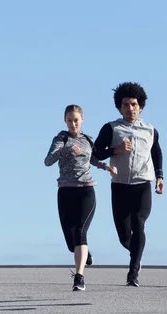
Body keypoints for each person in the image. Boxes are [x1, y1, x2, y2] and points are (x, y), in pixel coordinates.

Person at [93, 82, 164, 287]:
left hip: (142, 184)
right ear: (119, 107)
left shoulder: (150, 130)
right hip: (120, 185)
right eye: (125, 104)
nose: (130, 108)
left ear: (140, 106)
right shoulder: (111, 128)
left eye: (133, 104)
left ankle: (133, 272)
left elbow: (156, 153)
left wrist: (160, 176)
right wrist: (116, 150)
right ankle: (136, 255)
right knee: (124, 237)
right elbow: (96, 153)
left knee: (139, 224)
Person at [44, 104, 117, 291]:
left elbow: (91, 159)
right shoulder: (61, 138)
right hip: (66, 191)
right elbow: (48, 160)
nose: (73, 124)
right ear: (64, 121)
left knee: (80, 232)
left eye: (76, 120)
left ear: (82, 119)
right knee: (71, 241)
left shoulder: (88, 140)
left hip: (86, 190)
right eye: (69, 120)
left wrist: (106, 166)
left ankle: (79, 277)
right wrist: (65, 151)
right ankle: (85, 254)